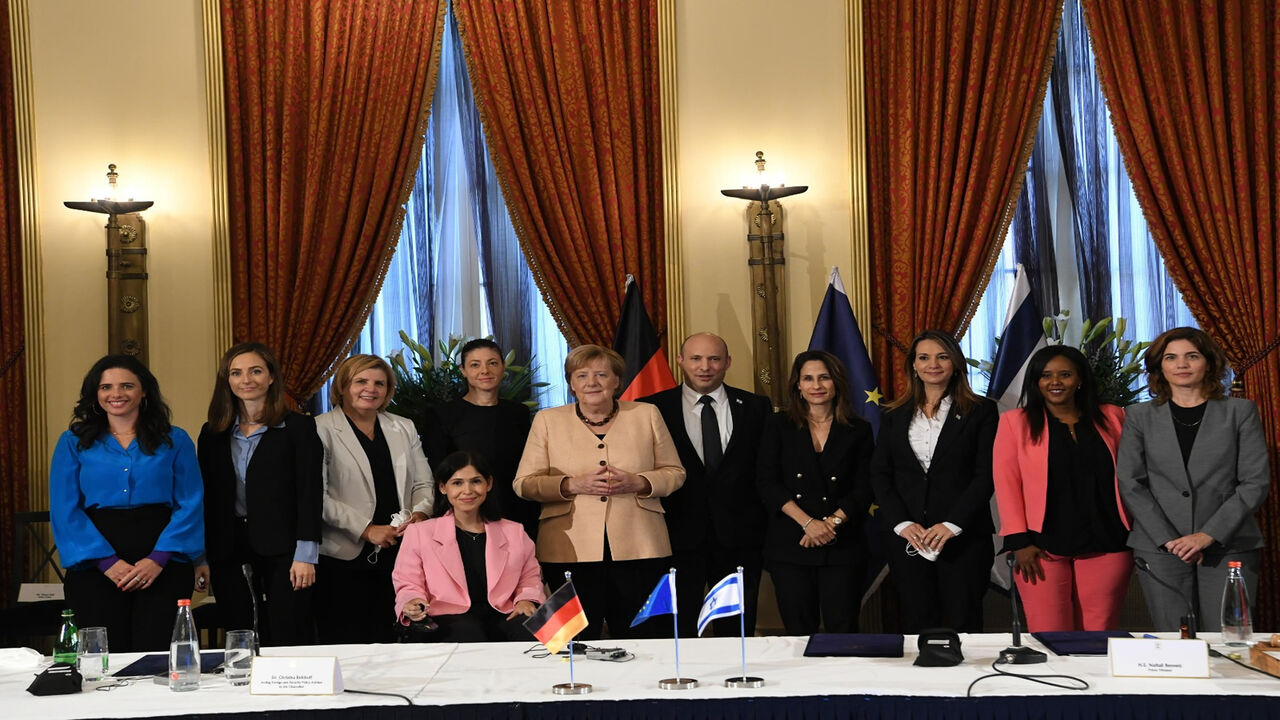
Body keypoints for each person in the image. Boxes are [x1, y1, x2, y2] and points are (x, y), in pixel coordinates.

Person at [514, 344, 685, 640]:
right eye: (582, 375)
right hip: (568, 547)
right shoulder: (547, 420)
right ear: (571, 383)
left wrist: (640, 482)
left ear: (617, 381)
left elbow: (675, 473)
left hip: (640, 544)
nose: (591, 382)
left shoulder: (646, 414)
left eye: (601, 374)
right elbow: (524, 483)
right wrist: (570, 485)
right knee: (572, 640)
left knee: (642, 635)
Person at [1116, 327, 1270, 632]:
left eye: (1192, 356)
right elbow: (1131, 482)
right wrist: (1170, 539)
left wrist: (1206, 535)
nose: (1181, 364)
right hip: (1161, 546)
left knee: (1228, 639)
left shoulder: (1240, 411)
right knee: (1174, 640)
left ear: (1209, 363)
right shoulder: (1138, 415)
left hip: (1230, 544)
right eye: (1171, 357)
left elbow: (1255, 481)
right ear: (1160, 366)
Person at [49, 355, 204, 652]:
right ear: (96, 394)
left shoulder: (176, 439)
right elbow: (65, 509)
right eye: (106, 387)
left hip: (164, 561)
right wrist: (107, 563)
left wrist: (157, 559)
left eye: (126, 385)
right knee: (104, 657)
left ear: (144, 391)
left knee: (158, 654)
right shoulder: (72, 442)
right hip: (95, 565)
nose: (116, 394)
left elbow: (191, 502)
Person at [640, 332, 772, 637]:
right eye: (696, 358)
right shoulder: (651, 408)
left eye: (714, 359)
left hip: (740, 539)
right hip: (675, 538)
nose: (705, 367)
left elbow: (765, 471)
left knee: (736, 630)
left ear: (727, 362)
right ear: (681, 361)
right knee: (676, 630)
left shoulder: (755, 407)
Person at [992, 345, 1130, 632]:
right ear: (1036, 382)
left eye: (1065, 374)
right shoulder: (1014, 423)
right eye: (1046, 376)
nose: (1055, 382)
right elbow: (1006, 484)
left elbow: (1132, 475)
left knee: (1100, 632)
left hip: (1107, 538)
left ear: (1079, 379)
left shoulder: (1114, 417)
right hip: (1039, 545)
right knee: (1049, 632)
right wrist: (1019, 542)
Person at [870, 330, 997, 633]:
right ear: (913, 365)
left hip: (963, 538)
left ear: (955, 363)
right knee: (916, 622)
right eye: (924, 357)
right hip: (909, 539)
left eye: (942, 356)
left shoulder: (981, 411)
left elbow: (986, 474)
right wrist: (901, 523)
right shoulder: (893, 413)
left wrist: (951, 524)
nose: (933, 364)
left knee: (963, 623)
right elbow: (880, 473)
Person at [196, 342, 322, 646]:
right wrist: (200, 556)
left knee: (285, 628)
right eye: (236, 373)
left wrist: (306, 553)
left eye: (255, 371)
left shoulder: (299, 428)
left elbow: (310, 491)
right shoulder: (212, 432)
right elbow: (205, 497)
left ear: (271, 378)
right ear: (227, 380)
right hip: (227, 545)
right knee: (238, 631)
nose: (246, 379)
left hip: (286, 548)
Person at [314, 354, 434, 643]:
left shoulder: (402, 426)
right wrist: (366, 529)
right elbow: (317, 496)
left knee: (396, 637)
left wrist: (419, 515)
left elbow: (423, 483)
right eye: (361, 381)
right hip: (343, 555)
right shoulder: (320, 428)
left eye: (379, 383)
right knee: (349, 640)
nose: (371, 389)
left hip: (401, 550)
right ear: (343, 386)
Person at [756, 350, 874, 635]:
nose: (816, 385)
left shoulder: (859, 429)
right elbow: (766, 482)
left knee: (843, 630)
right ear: (797, 385)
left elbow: (866, 485)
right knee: (798, 632)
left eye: (824, 377)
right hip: (791, 541)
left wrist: (830, 524)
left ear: (837, 382)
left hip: (842, 543)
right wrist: (809, 524)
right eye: (807, 378)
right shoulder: (777, 425)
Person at [393, 451, 545, 642]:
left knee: (533, 630)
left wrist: (526, 599)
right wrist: (412, 602)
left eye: (476, 481)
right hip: (446, 614)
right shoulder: (420, 533)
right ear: (442, 487)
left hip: (502, 611)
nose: (468, 490)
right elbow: (407, 581)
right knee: (468, 632)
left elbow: (530, 576)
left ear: (488, 484)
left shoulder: (514, 531)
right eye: (457, 483)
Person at [424, 339, 536, 540]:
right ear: (463, 370)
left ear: (503, 367)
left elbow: (529, 463)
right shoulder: (441, 415)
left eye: (492, 363)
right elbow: (438, 470)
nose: (485, 370)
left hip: (517, 508)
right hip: (467, 510)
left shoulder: (518, 412)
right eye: (475, 365)